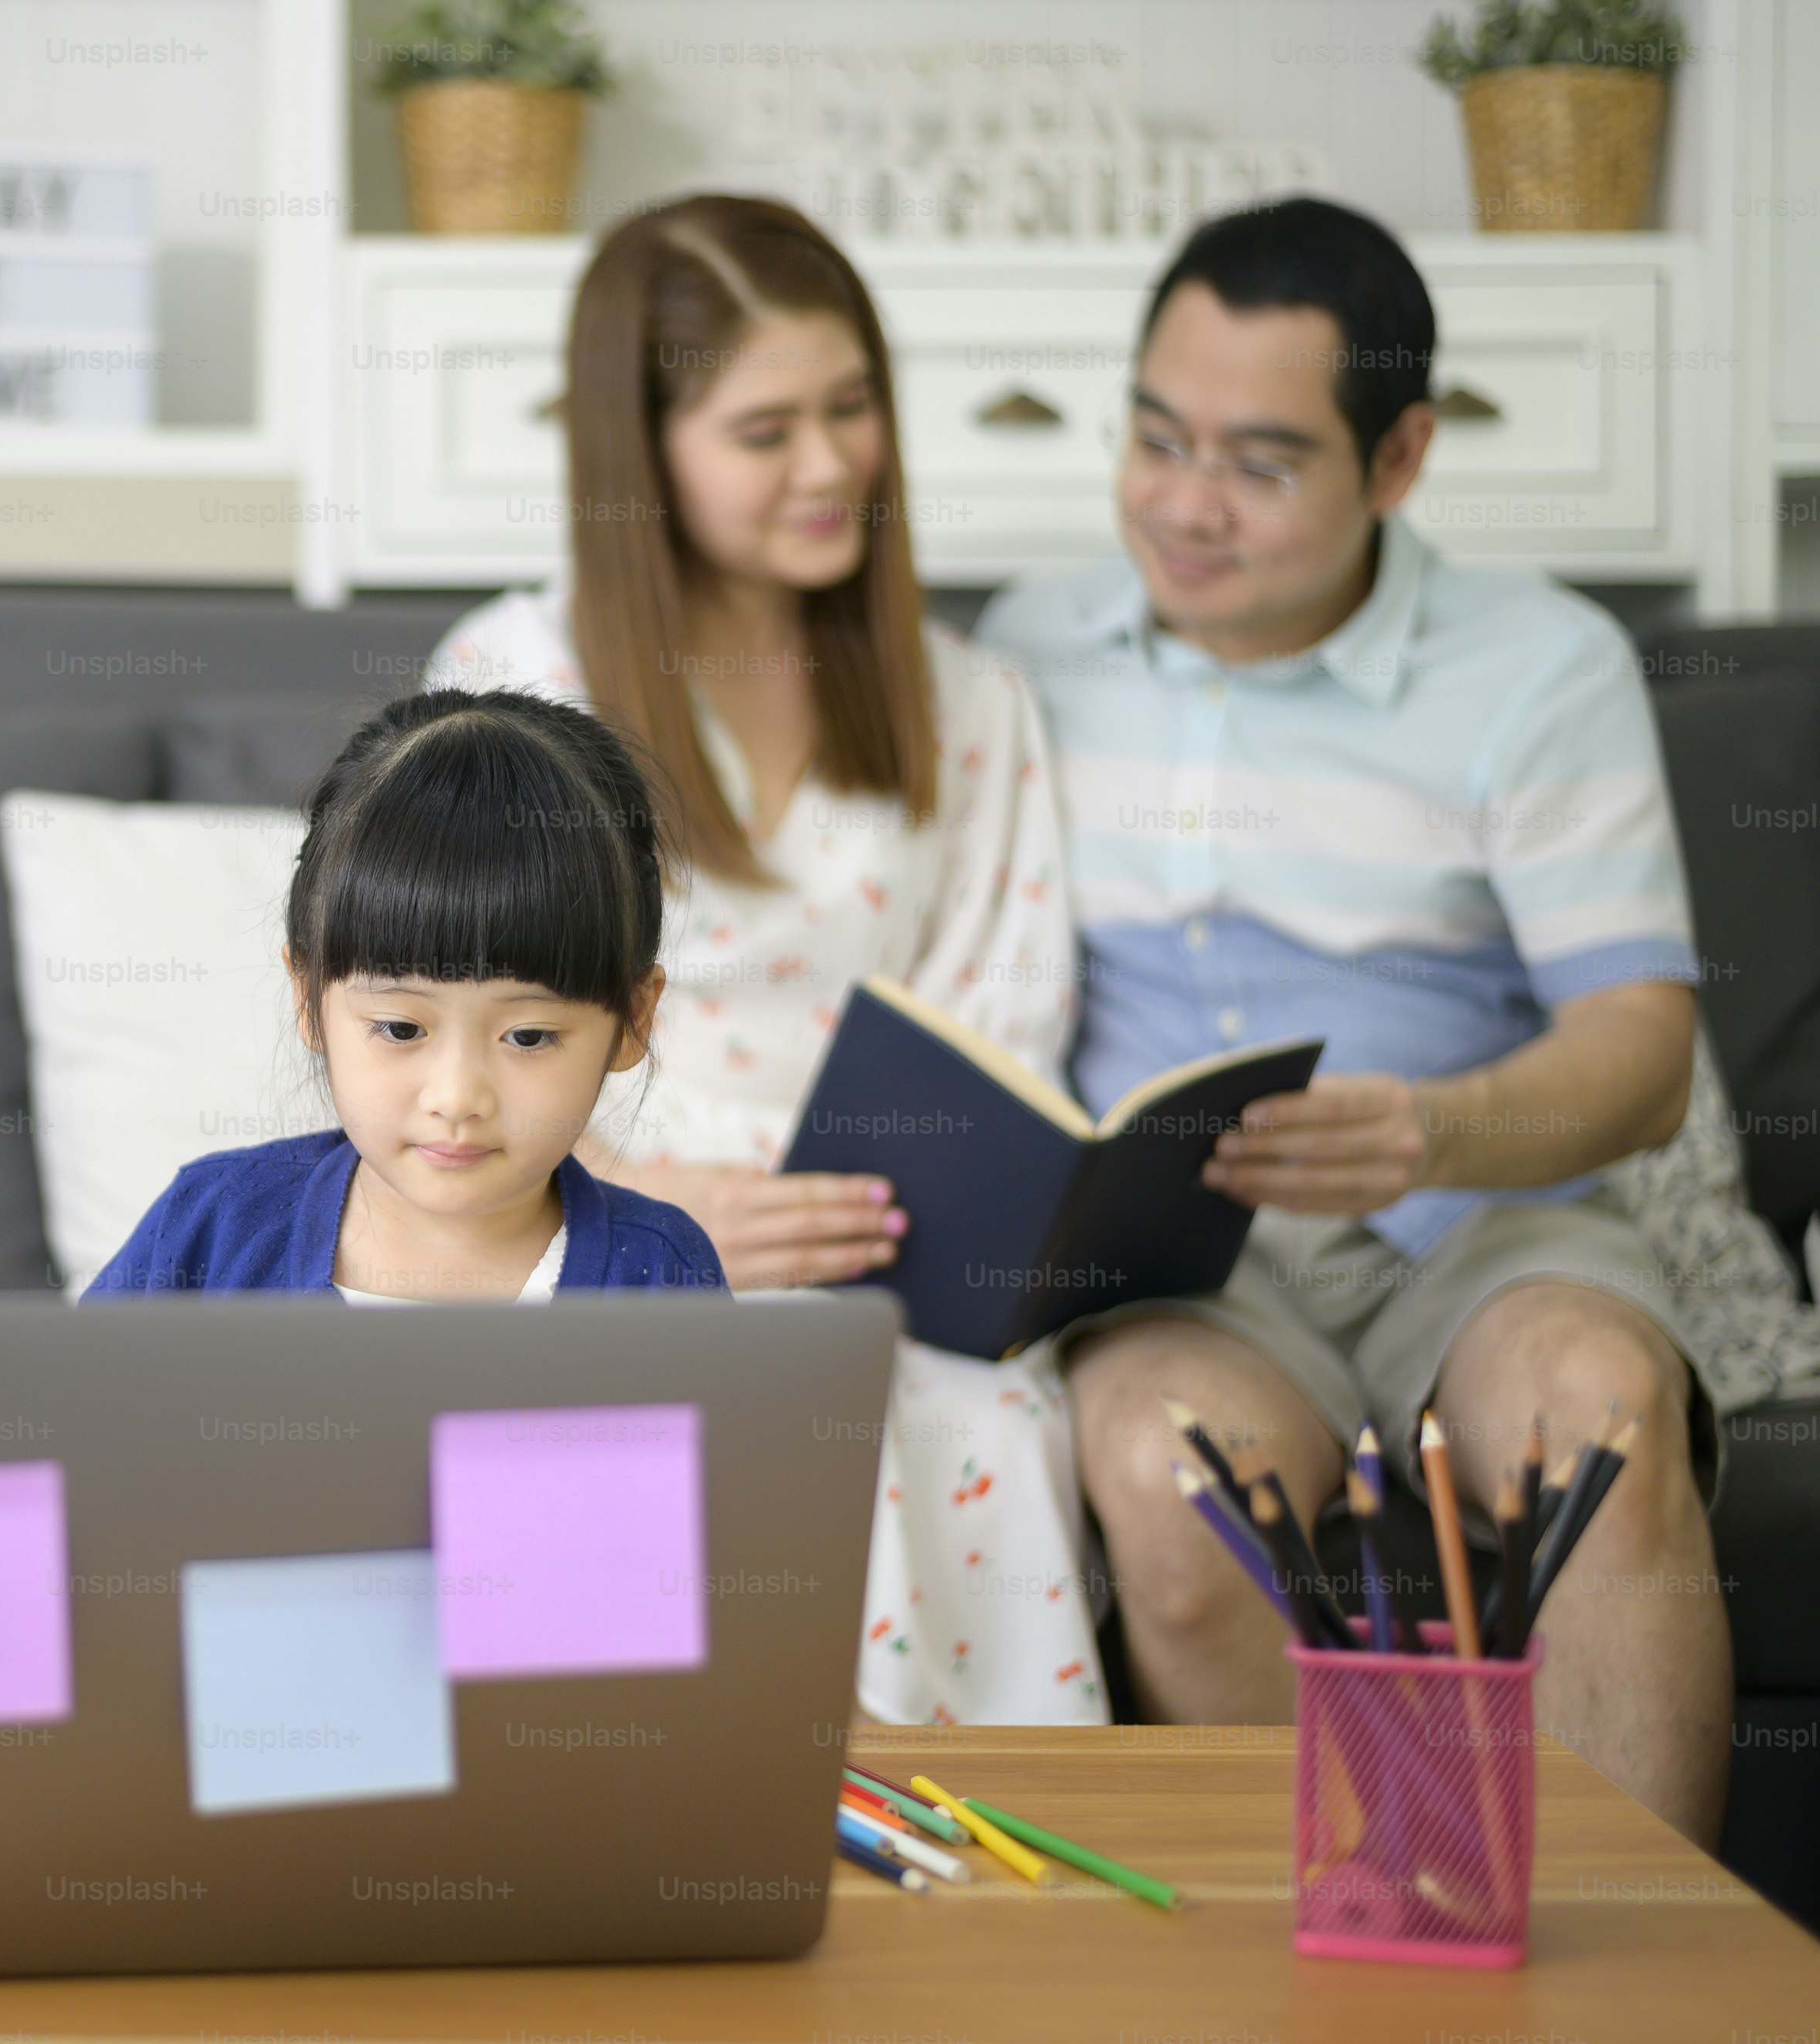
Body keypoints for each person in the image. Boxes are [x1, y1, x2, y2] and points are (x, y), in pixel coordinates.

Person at [978, 196, 1732, 1842]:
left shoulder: (1540, 665)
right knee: (1176, 1492)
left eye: (1256, 463)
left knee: (1597, 1413)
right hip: (1189, 1263)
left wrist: (1435, 1126)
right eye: (1152, 438)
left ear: (1395, 459)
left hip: (1484, 1223)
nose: (1182, 508)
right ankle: (1361, 1953)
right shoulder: (1026, 648)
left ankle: (1665, 1992)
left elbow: (1642, 1044)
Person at [428, 194, 1100, 1725]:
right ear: (640, 449)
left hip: (889, 1234)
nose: (827, 466)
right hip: (592, 1208)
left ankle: (974, 1896)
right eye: (763, 429)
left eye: (851, 407)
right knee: (782, 1394)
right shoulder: (514, 681)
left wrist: (910, 1204)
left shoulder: (968, 697)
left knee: (969, 1410)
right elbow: (464, 1031)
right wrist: (647, 1204)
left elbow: (1005, 1005)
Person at [85, 688, 723, 1302]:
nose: (456, 1098)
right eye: (399, 1029)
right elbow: (81, 1408)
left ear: (634, 1020)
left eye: (528, 1037)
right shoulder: (212, 1226)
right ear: (309, 1002)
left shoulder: (662, 1273)